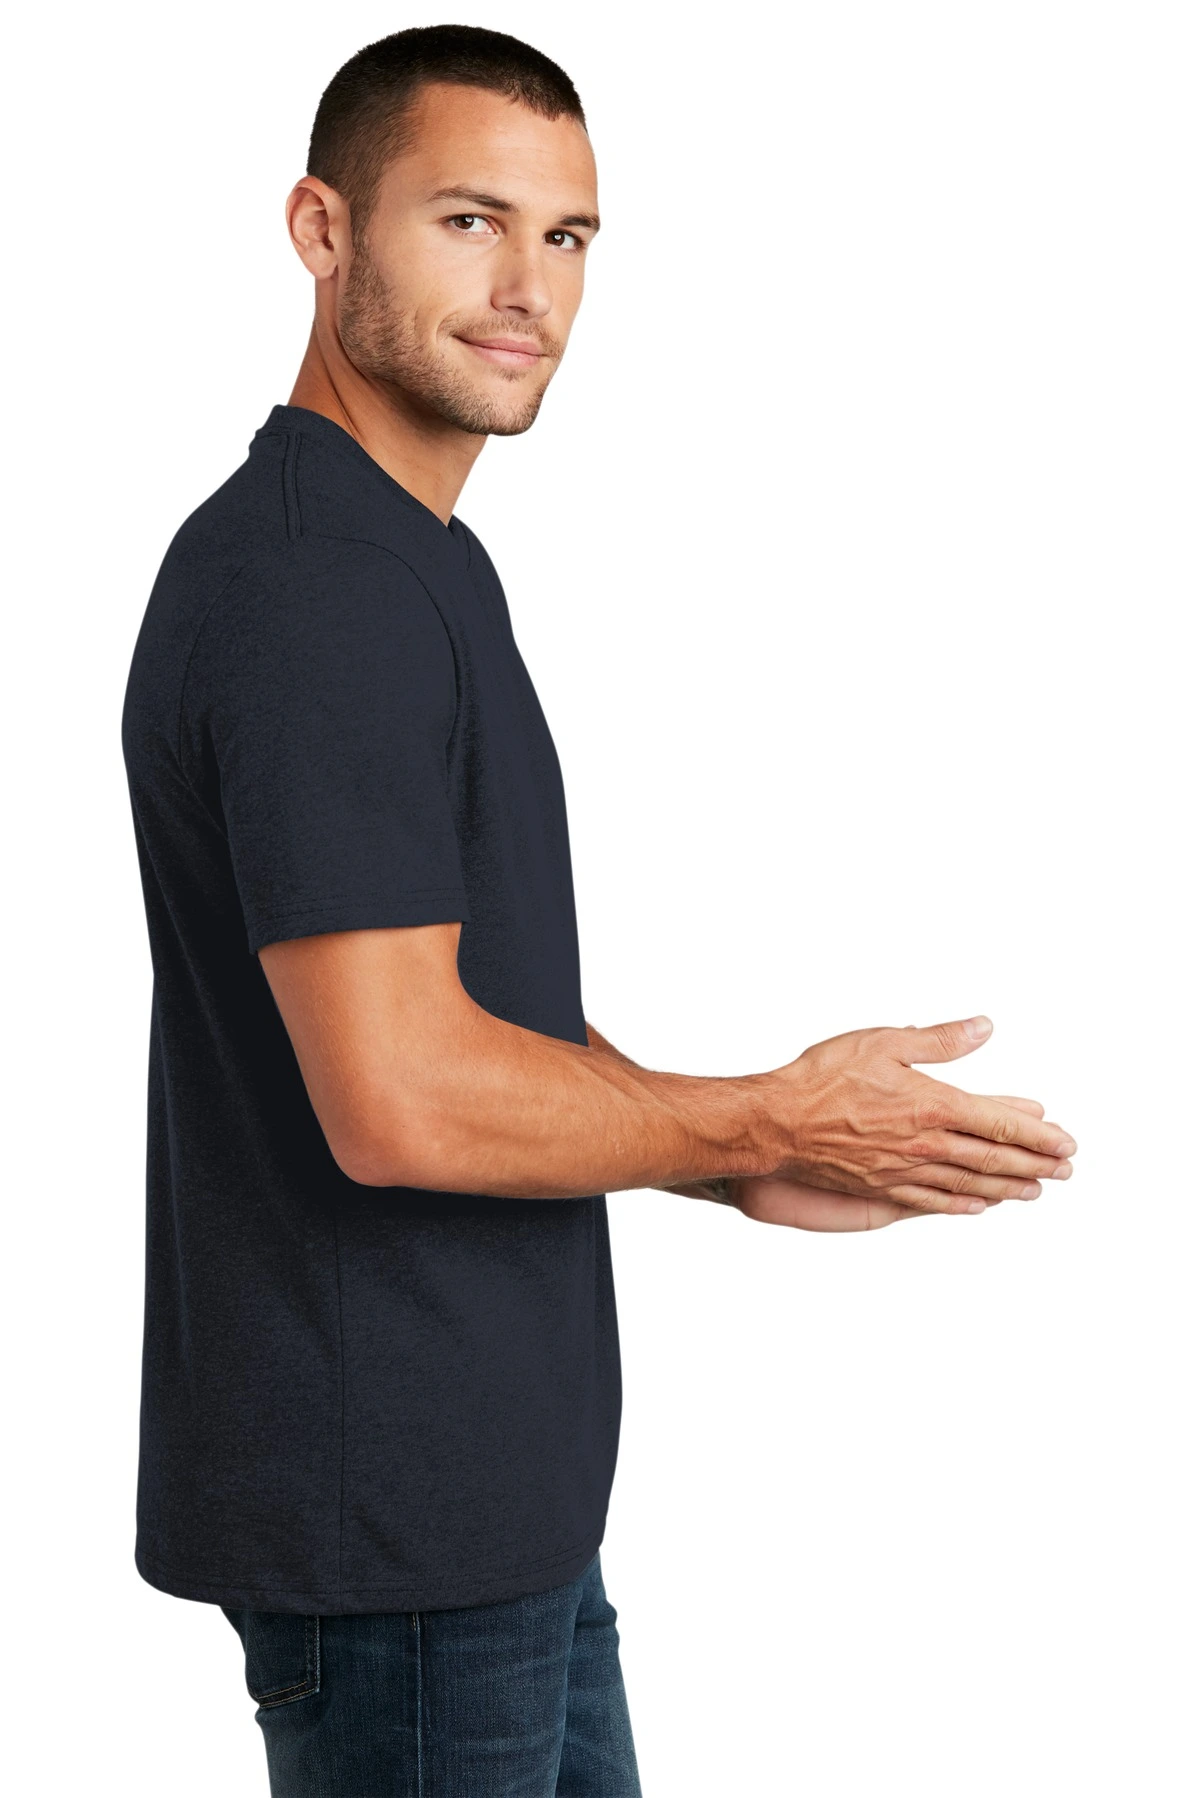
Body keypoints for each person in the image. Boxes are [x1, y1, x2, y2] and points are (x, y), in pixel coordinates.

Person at [120, 24, 1077, 1797]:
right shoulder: (320, 587)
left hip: (491, 1516)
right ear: (321, 229)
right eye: (467, 220)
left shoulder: (407, 558)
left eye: (564, 236)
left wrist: (723, 1156)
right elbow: (400, 1094)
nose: (526, 288)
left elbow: (471, 1008)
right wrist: (766, 1114)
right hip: (402, 1538)